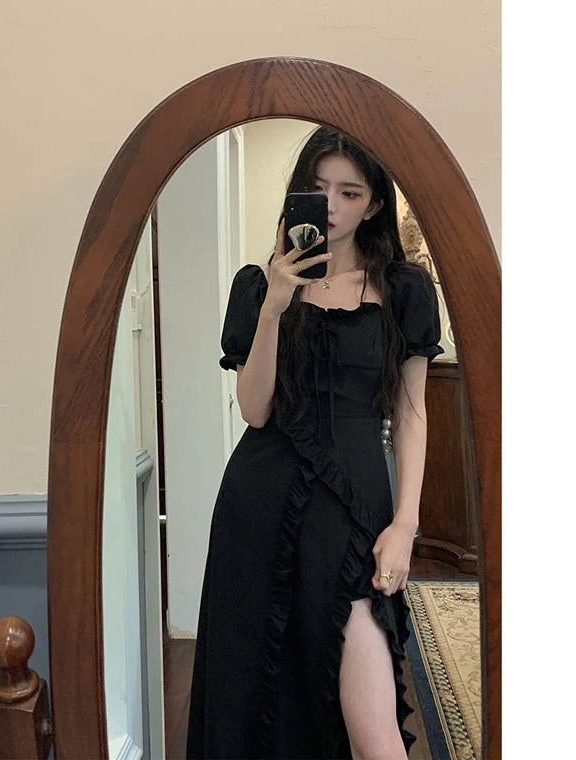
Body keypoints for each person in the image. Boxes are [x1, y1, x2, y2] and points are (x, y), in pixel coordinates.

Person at [185, 125, 444, 759]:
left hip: (354, 510)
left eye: (349, 193)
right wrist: (275, 305)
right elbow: (255, 411)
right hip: (259, 507)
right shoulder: (257, 287)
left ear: (374, 204)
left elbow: (412, 411)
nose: (330, 206)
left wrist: (406, 523)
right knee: (256, 706)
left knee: (375, 733)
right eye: (317, 188)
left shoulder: (404, 289)